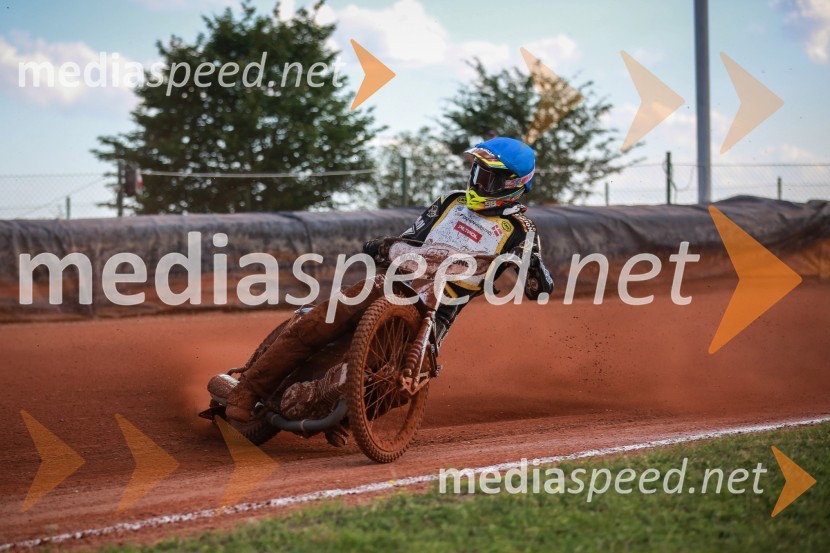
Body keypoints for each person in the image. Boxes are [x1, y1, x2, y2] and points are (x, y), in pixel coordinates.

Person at [225, 136, 553, 424]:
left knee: (403, 383)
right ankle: (248, 390)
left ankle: (342, 420)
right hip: (395, 282)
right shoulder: (452, 201)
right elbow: (412, 236)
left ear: (513, 184)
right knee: (318, 323)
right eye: (478, 174)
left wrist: (534, 275)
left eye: (491, 179)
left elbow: (539, 287)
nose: (480, 184)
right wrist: (386, 246)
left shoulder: (521, 229)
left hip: (437, 310)